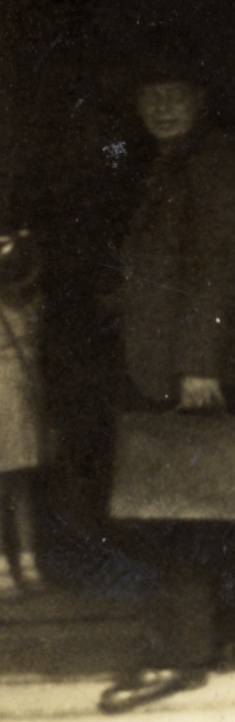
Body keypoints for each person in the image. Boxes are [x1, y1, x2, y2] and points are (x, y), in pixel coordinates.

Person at [97, 65, 235, 713]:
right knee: (182, 507)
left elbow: (219, 266)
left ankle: (190, 651)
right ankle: (202, 641)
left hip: (196, 371)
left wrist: (199, 363)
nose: (161, 106)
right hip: (165, 362)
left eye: (175, 95)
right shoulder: (169, 161)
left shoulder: (216, 164)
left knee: (192, 509)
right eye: (150, 94)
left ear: (201, 99)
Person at [0, 222, 48, 598]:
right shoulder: (34, 304)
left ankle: (2, 567)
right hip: (24, 398)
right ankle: (29, 563)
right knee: (21, 487)